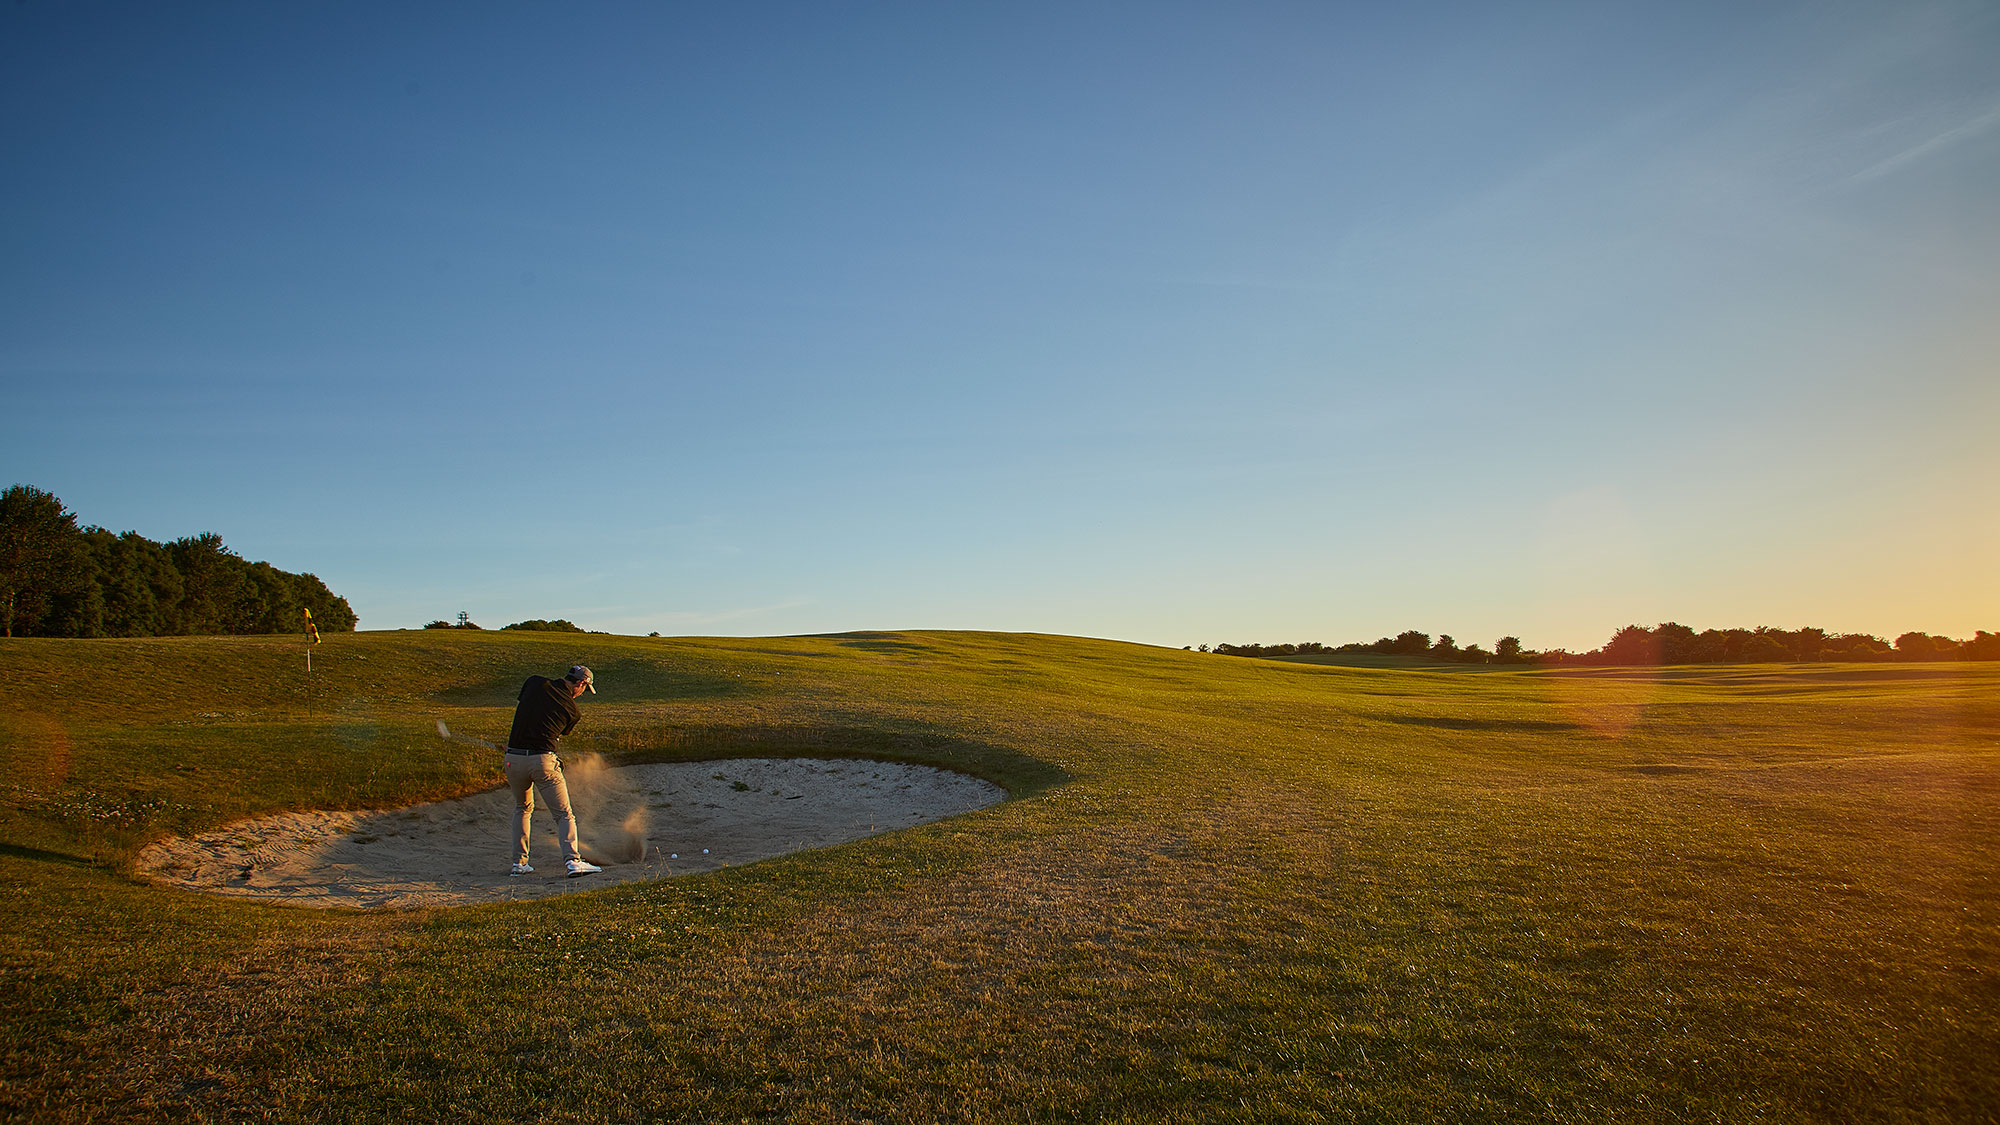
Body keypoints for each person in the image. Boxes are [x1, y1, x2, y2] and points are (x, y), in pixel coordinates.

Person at [503, 664, 601, 878]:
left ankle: (519, 864)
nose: (582, 694)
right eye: (584, 689)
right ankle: (573, 861)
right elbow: (553, 730)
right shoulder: (572, 710)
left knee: (522, 808)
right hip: (543, 761)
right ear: (581, 684)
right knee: (564, 814)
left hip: (513, 758)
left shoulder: (534, 681)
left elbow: (527, 711)